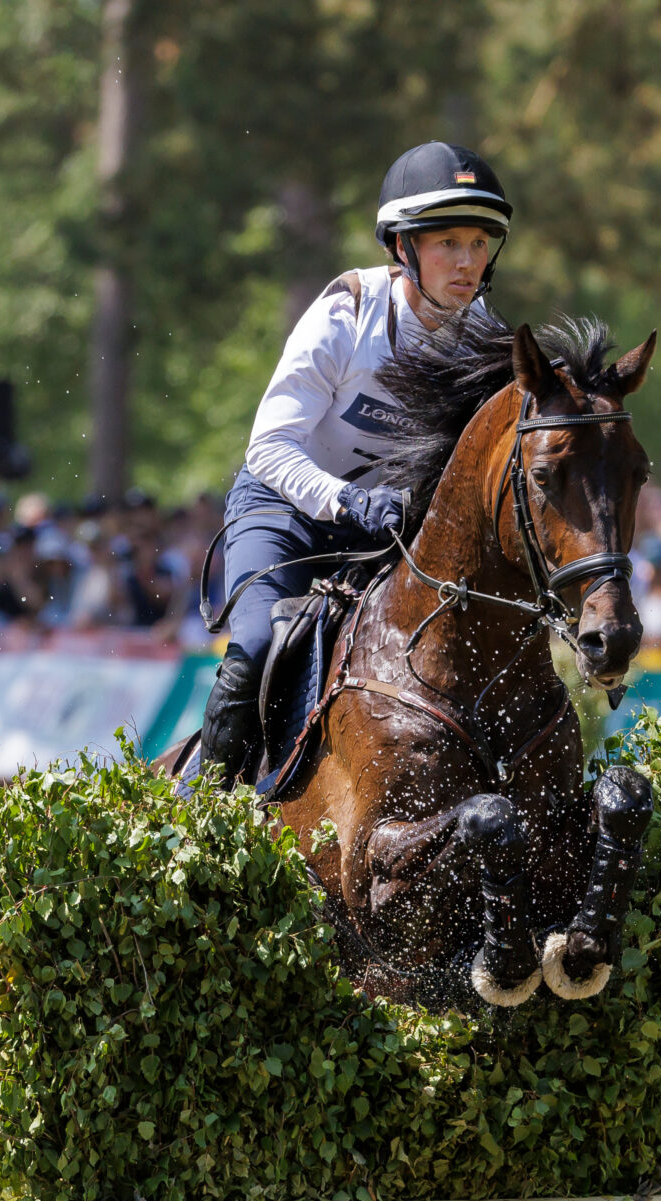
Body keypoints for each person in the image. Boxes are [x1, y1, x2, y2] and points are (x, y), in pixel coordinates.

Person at [190, 140, 515, 781]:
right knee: (256, 648)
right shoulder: (347, 312)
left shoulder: (483, 335)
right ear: (402, 247)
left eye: (480, 243)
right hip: (283, 511)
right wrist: (346, 499)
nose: (468, 262)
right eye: (448, 242)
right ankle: (205, 808)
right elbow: (269, 447)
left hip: (384, 530)